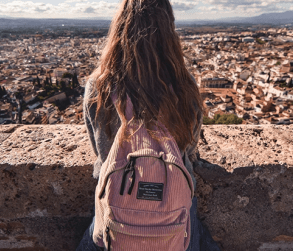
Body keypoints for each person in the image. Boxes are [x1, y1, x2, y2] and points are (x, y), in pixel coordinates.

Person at [76, 0, 221, 250]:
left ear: (120, 27)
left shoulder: (98, 86)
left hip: (115, 208)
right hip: (175, 213)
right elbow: (189, 153)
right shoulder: (184, 87)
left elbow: (100, 151)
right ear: (169, 30)